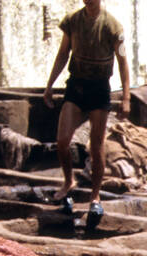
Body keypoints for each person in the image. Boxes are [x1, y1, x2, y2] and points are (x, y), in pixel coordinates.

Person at [44, 0, 131, 230]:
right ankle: (68, 180)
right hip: (76, 86)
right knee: (62, 140)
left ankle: (95, 197)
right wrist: (50, 84)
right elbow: (63, 53)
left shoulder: (113, 26)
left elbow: (123, 62)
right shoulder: (73, 21)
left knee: (96, 146)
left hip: (99, 88)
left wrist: (126, 97)